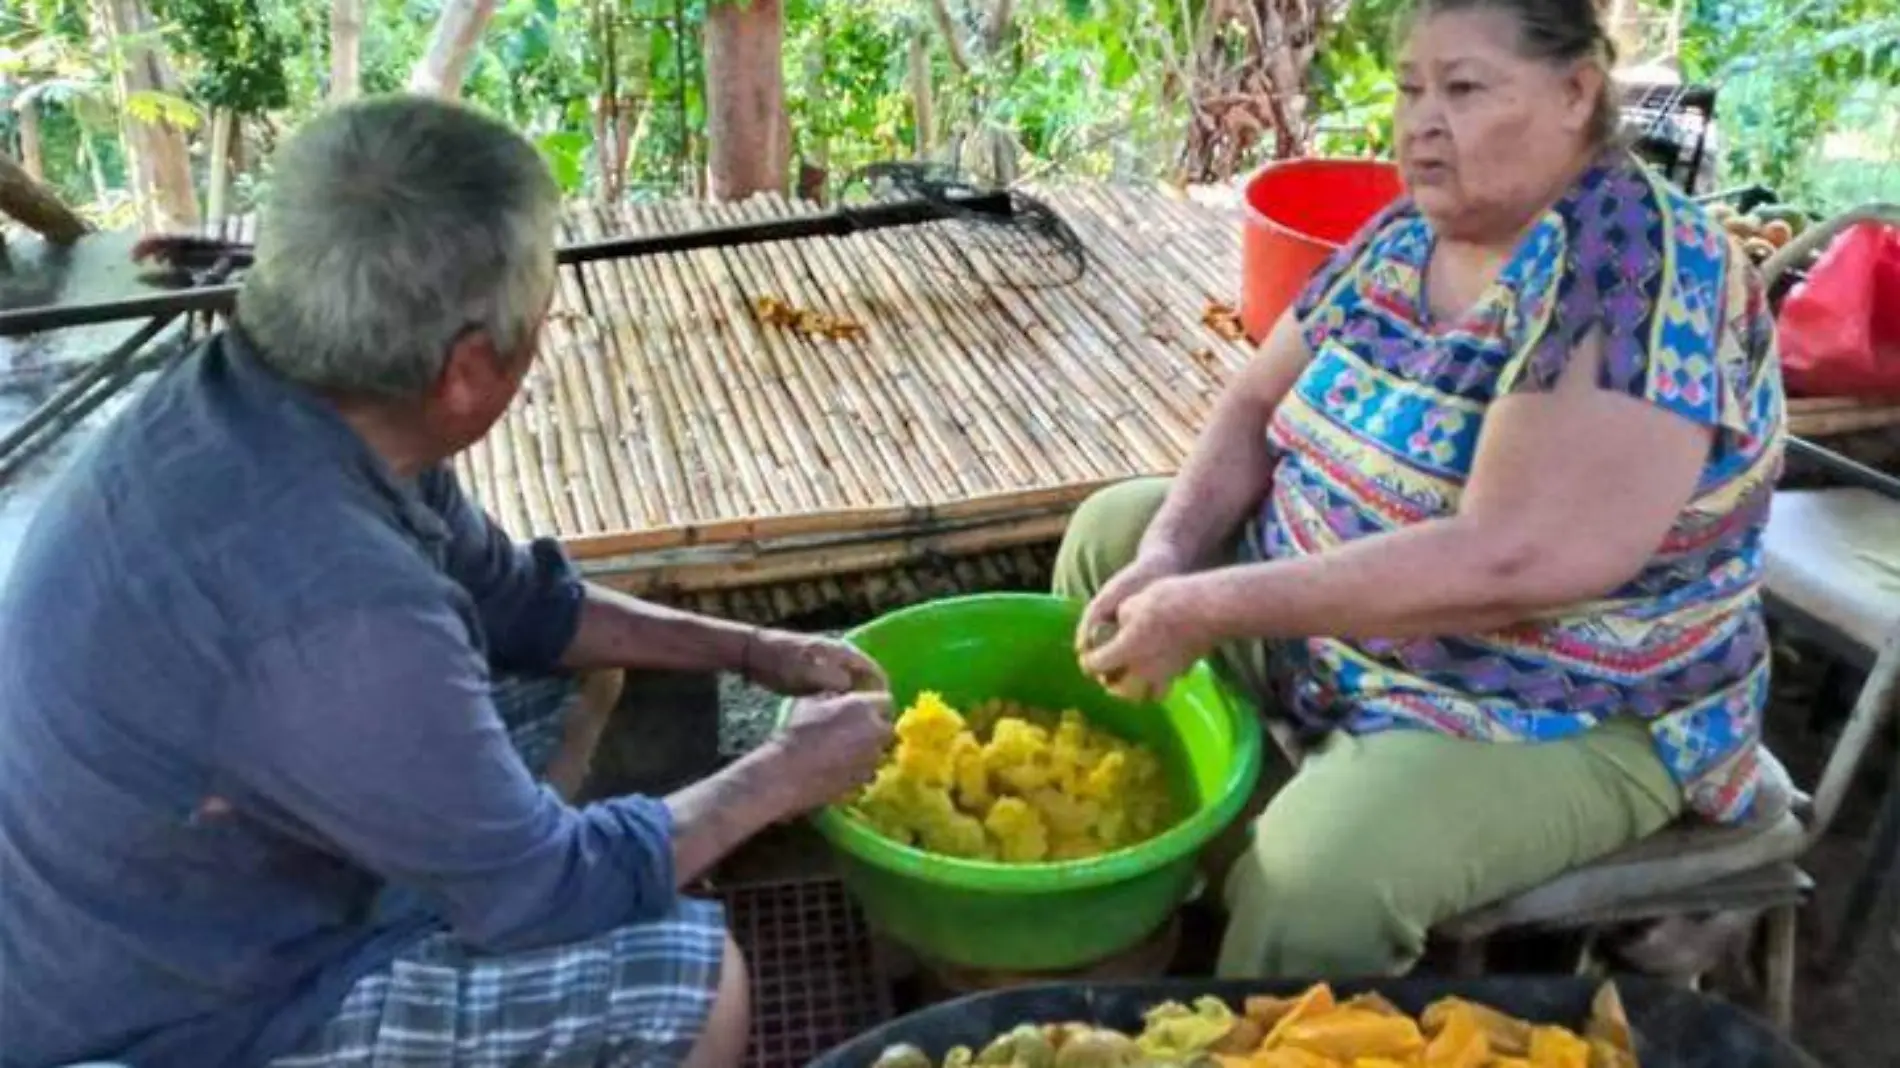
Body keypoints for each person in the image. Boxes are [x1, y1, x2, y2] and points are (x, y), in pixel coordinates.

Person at [0, 96, 893, 1068]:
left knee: (583, 680)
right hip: (171, 1017)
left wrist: (754, 651)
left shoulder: (299, 407)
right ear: (469, 369)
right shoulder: (343, 606)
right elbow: (544, 895)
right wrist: (775, 777)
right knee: (691, 980)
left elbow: (523, 606)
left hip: (157, 898)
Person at [1056, 0, 1784, 979]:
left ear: (1576, 92)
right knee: (1116, 534)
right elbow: (1253, 400)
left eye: (1463, 88)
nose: (1419, 123)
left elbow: (1513, 561)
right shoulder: (1411, 231)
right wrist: (1168, 557)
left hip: (1546, 695)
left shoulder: (1634, 270)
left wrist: (1211, 601)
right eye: (1408, 90)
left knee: (1317, 884)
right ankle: (1175, 862)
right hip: (1340, 636)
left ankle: (1279, 961)